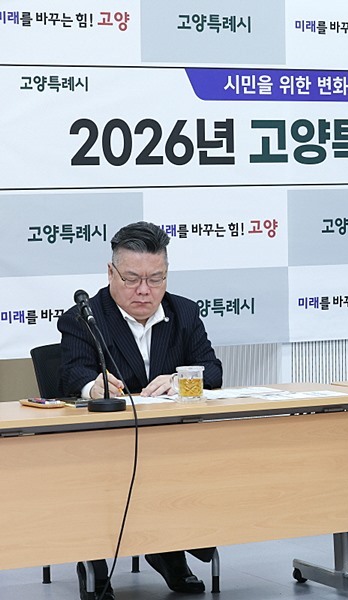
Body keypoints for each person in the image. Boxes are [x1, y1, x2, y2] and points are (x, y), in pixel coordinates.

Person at [58, 221, 223, 599]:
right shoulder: (84, 317)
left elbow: (212, 370)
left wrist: (180, 380)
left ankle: (169, 548)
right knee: (99, 473)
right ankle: (95, 563)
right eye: (132, 279)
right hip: (105, 445)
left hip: (170, 441)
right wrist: (92, 386)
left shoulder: (184, 312)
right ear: (111, 272)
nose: (145, 290)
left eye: (156, 278)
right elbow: (71, 374)